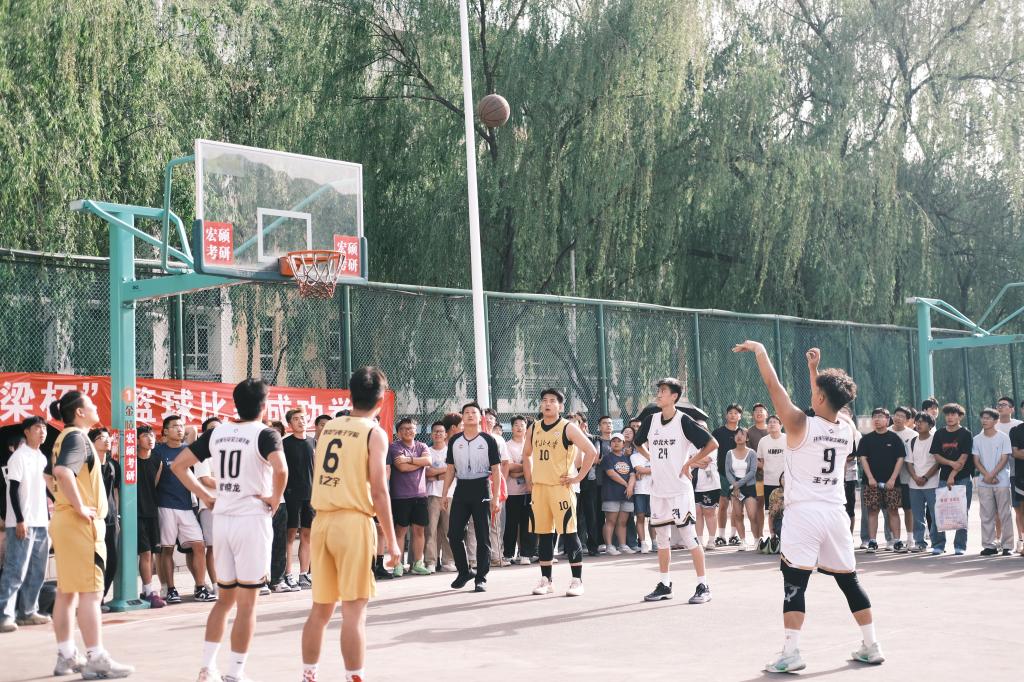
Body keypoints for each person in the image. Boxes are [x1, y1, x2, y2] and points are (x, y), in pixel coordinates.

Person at [734, 342, 882, 673]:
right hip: (835, 513)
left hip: (803, 514)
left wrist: (760, 350)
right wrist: (815, 370)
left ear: (820, 397)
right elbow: (827, 403)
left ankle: (791, 653)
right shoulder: (847, 429)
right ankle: (872, 644)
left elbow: (773, 386)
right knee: (849, 581)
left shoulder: (800, 423)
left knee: (795, 582)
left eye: (816, 390)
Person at [171, 379, 288, 682]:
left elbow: (178, 465)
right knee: (247, 604)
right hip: (251, 520)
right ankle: (235, 672)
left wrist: (206, 496)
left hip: (222, 519)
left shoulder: (217, 433)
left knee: (224, 600)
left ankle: (207, 667)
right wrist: (275, 499)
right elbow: (281, 469)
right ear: (264, 405)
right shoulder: (266, 434)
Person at [301, 367, 400, 682]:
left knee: (320, 609)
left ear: (349, 394)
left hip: (322, 521)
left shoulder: (329, 427)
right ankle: (354, 676)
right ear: (381, 401)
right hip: (353, 522)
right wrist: (392, 540)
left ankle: (308, 675)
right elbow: (379, 489)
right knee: (354, 611)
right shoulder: (374, 432)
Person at [47, 391, 134, 677]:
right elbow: (62, 472)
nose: (96, 407)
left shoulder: (63, 438)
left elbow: (49, 474)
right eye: (91, 404)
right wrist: (79, 505)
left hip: (65, 522)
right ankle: (96, 656)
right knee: (91, 593)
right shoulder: (77, 438)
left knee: (67, 592)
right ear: (80, 412)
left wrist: (66, 502)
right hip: (80, 525)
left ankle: (66, 655)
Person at [634, 378, 718, 604]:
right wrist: (651, 458)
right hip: (658, 490)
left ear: (674, 397)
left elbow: (712, 444)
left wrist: (689, 463)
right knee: (662, 540)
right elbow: (637, 442)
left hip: (679, 489)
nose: (659, 394)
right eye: (658, 390)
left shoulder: (684, 421)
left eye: (663, 391)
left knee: (689, 538)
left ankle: (703, 585)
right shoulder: (651, 420)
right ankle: (664, 584)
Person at [521, 389, 598, 597]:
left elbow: (591, 451)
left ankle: (577, 580)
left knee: (569, 533)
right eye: (544, 400)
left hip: (560, 488)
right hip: (540, 489)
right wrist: (529, 480)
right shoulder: (534, 427)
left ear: (560, 406)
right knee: (544, 535)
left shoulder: (568, 427)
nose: (547, 404)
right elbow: (526, 455)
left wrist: (578, 477)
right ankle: (546, 580)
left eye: (552, 401)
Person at [441, 403, 502, 592]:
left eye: (473, 412)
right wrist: (445, 493)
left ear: (479, 417)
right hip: (461, 489)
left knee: (483, 535)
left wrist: (496, 497)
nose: (469, 415)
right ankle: (464, 571)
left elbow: (496, 470)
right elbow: (450, 469)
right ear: (462, 416)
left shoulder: (488, 440)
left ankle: (481, 578)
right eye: (466, 412)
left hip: (481, 488)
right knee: (454, 534)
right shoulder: (454, 440)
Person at [0, 416, 51, 632]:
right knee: (15, 570)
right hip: (22, 523)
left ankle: (28, 612)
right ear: (27, 432)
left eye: (44, 428)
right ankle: (5, 616)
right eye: (37, 428)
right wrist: (20, 519)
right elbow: (12, 490)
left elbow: (45, 489)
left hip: (41, 522)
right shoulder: (18, 457)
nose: (42, 431)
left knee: (37, 570)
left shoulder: (41, 457)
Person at [155, 415, 211, 603]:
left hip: (187, 506)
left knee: (199, 546)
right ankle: (171, 589)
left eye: (181, 426)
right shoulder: (158, 451)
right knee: (167, 550)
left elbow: (192, 430)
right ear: (165, 431)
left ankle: (200, 587)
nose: (180, 429)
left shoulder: (188, 450)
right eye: (174, 426)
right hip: (165, 506)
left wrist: (181, 428)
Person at [386, 418, 432, 576]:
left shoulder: (422, 446)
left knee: (419, 531)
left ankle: (417, 564)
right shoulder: (394, 447)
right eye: (404, 429)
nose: (408, 431)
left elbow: (428, 460)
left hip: (420, 495)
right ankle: (398, 565)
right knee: (400, 531)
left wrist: (410, 459)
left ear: (416, 430)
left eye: (411, 428)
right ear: (398, 432)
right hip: (400, 497)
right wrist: (419, 463)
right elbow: (402, 467)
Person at [856, 409, 906, 553]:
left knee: (893, 511)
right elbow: (863, 459)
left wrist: (893, 479)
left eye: (880, 416)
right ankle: (872, 541)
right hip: (870, 483)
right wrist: (870, 478)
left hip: (892, 483)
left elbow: (900, 459)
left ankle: (897, 541)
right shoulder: (866, 439)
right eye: (874, 417)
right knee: (872, 511)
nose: (877, 419)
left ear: (887, 419)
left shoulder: (894, 438)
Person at [929, 403, 974, 555]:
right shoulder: (939, 433)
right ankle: (938, 545)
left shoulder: (966, 434)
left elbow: (964, 457)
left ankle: (960, 546)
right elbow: (936, 455)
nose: (950, 417)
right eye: (947, 414)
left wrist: (952, 476)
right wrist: (949, 463)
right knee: (939, 511)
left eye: (953, 414)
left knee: (962, 512)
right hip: (943, 478)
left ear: (960, 417)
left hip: (963, 478)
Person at [973, 408, 1014, 556]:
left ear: (996, 421)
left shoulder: (1003, 437)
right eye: (983, 418)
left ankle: (1007, 545)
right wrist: (987, 475)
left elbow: (1004, 458)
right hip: (984, 482)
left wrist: (992, 474)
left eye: (988, 418)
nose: (984, 420)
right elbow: (976, 460)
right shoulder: (977, 439)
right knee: (986, 515)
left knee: (1005, 514)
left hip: (1002, 481)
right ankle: (989, 545)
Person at [282, 409, 315, 590]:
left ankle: (304, 574)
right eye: (296, 419)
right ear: (289, 424)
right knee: (290, 535)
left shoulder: (313, 442)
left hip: (310, 496)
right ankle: (288, 574)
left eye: (302, 418)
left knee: (307, 534)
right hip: (290, 495)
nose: (300, 421)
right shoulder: (284, 444)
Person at [135, 425, 165, 608]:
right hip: (135, 513)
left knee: (151, 553)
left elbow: (155, 484)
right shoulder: (129, 461)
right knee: (145, 552)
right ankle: (148, 591)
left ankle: (147, 590)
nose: (150, 439)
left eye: (152, 435)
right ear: (137, 440)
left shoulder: (157, 460)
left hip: (152, 511)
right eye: (146, 436)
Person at [193, 417, 221, 598]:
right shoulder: (202, 453)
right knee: (213, 547)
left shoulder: (226, 451)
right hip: (210, 506)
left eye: (219, 428)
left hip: (228, 505)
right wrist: (229, 484)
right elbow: (205, 480)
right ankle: (216, 584)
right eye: (211, 428)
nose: (216, 431)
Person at [503, 415, 535, 565]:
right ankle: (508, 554)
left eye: (522, 425)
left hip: (529, 490)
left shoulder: (531, 445)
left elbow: (534, 466)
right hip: (512, 491)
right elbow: (509, 467)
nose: (519, 427)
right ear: (512, 428)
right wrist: (527, 468)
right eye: (516, 424)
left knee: (527, 523)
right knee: (511, 523)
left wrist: (519, 469)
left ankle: (525, 554)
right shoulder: (507, 445)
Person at [904, 413, 938, 553]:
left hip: (933, 483)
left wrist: (925, 477)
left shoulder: (935, 440)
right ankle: (920, 543)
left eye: (922, 422)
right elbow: (909, 463)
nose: (918, 424)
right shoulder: (911, 442)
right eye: (917, 421)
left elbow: (937, 463)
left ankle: (937, 544)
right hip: (914, 485)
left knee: (936, 515)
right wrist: (916, 477)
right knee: (918, 516)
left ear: (930, 425)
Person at [424, 421, 455, 573]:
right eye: (435, 431)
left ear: (446, 434)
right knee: (431, 530)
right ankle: (431, 561)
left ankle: (448, 561)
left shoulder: (451, 451)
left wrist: (436, 474)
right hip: (432, 494)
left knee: (449, 530)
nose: (438, 434)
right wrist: (444, 472)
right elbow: (427, 473)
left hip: (449, 494)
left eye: (441, 432)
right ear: (431, 434)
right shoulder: (427, 451)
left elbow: (454, 471)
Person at [712, 404, 742, 546]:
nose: (732, 415)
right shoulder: (718, 432)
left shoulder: (743, 433)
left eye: (736, 413)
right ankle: (721, 536)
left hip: (739, 475)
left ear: (740, 416)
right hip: (722, 474)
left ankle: (733, 535)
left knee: (736, 507)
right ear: (726, 415)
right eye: (730, 412)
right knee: (723, 505)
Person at [600, 433, 635, 554]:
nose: (616, 443)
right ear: (610, 444)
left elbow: (632, 474)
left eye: (619, 441)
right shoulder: (607, 458)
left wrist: (630, 486)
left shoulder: (627, 458)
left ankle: (622, 545)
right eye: (613, 441)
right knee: (610, 521)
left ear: (623, 444)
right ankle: (609, 546)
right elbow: (611, 473)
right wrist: (626, 485)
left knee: (622, 522)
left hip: (626, 495)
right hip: (611, 494)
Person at [725, 427, 758, 550]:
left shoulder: (752, 453)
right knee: (738, 515)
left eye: (742, 434)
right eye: (737, 434)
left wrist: (738, 485)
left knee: (752, 515)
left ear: (747, 438)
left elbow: (753, 471)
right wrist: (735, 485)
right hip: (735, 488)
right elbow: (728, 472)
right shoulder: (729, 453)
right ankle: (743, 541)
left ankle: (756, 540)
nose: (739, 436)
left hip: (748, 486)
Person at [692, 420, 721, 551]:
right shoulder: (690, 445)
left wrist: (692, 461)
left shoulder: (712, 444)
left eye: (703, 427)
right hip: (693, 483)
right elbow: (685, 462)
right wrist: (693, 462)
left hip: (710, 485)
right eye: (697, 427)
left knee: (709, 513)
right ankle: (699, 541)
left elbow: (705, 461)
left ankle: (711, 539)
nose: (700, 430)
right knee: (697, 513)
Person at [758, 415, 786, 544]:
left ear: (781, 425)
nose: (772, 424)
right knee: (772, 511)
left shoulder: (787, 439)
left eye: (775, 422)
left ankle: (786, 535)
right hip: (769, 480)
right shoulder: (763, 441)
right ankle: (773, 535)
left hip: (786, 482)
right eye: (769, 422)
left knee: (786, 509)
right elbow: (761, 461)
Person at [889, 407, 916, 541]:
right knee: (891, 508)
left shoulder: (913, 435)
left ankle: (910, 538)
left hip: (907, 478)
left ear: (908, 420)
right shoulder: (886, 431)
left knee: (908, 508)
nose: (898, 418)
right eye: (896, 415)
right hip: (889, 478)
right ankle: (893, 539)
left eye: (902, 416)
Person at [628, 426, 653, 553]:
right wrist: (647, 470)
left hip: (654, 491)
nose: (642, 444)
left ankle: (655, 542)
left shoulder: (655, 455)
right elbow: (640, 469)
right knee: (640, 517)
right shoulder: (634, 457)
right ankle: (643, 543)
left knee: (655, 518)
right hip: (640, 491)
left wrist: (644, 471)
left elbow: (661, 468)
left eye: (645, 441)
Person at [748, 403, 770, 535]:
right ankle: (759, 536)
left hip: (775, 474)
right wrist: (762, 465)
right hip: (758, 475)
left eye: (761, 410)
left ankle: (775, 536)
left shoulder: (773, 429)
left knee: (774, 505)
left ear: (766, 414)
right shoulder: (749, 432)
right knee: (759, 505)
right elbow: (749, 455)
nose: (759, 413)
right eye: (756, 411)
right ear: (752, 415)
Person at [1009, 417, 1024, 555]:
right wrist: (1020, 452)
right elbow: (1016, 453)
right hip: (1021, 477)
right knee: (1022, 512)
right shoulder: (1016, 430)